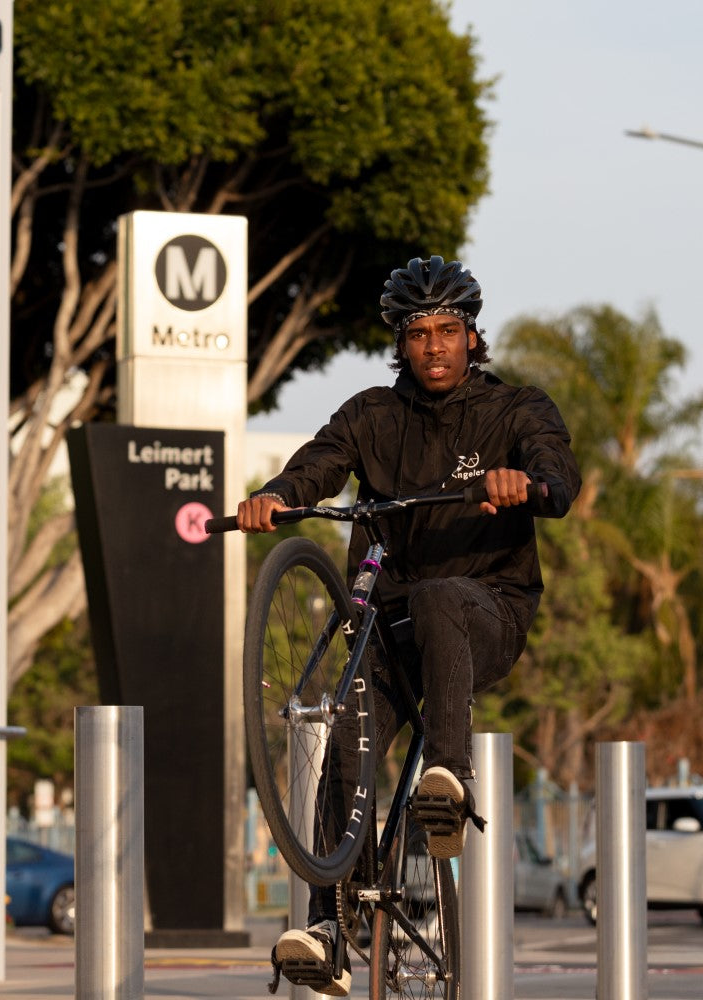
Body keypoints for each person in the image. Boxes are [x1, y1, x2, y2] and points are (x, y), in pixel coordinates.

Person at [237, 255, 581, 996]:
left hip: (487, 610)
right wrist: (274, 496)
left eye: (448, 330)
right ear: (400, 341)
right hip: (388, 628)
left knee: (438, 597)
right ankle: (331, 927)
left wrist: (530, 484)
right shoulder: (370, 414)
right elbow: (317, 469)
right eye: (418, 333)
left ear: (472, 335)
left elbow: (559, 478)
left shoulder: (516, 410)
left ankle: (447, 779)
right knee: (344, 751)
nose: (434, 347)